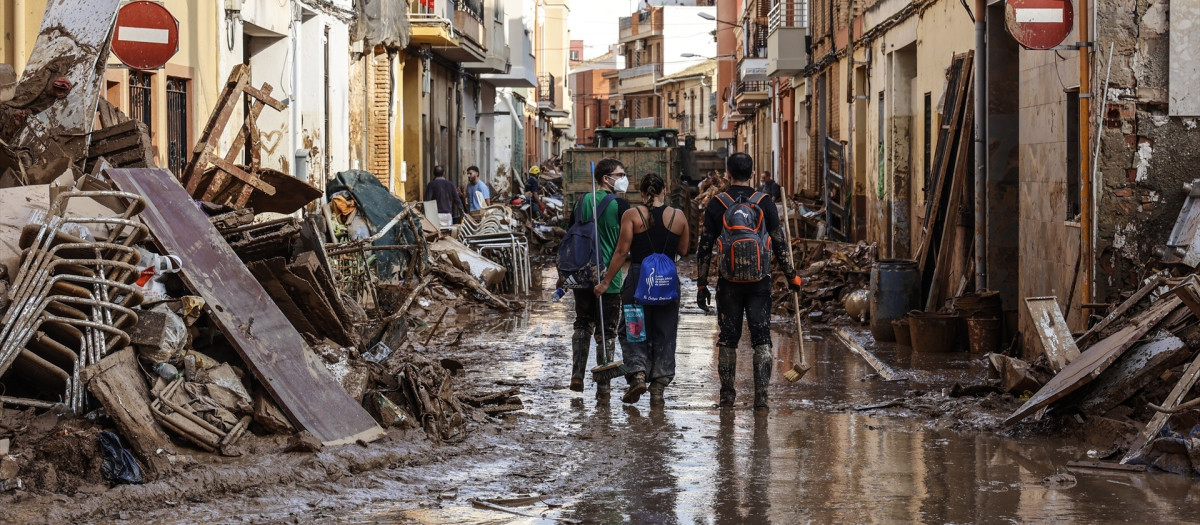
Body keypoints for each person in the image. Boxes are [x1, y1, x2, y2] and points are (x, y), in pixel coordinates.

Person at [695, 152, 802, 412]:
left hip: (728, 282)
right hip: (759, 283)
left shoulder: (717, 203)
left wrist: (701, 284)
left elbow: (705, 246)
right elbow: (779, 242)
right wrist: (791, 275)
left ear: (728, 175)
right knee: (762, 339)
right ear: (753, 174)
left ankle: (727, 396)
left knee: (728, 339)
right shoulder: (764, 202)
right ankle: (761, 397)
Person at [594, 173, 689, 406]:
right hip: (666, 282)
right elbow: (684, 250)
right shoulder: (678, 216)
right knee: (665, 330)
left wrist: (606, 281)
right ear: (664, 191)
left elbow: (621, 252)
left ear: (643, 194)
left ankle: (637, 373)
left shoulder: (632, 215)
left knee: (633, 326)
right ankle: (658, 387)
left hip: (638, 279)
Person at [565, 158, 630, 399]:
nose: (623, 179)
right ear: (606, 178)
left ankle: (577, 375)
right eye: (620, 174)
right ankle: (604, 386)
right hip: (609, 279)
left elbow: (571, 234)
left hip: (582, 276)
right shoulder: (620, 206)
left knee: (582, 323)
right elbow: (625, 247)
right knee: (607, 331)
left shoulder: (581, 201)